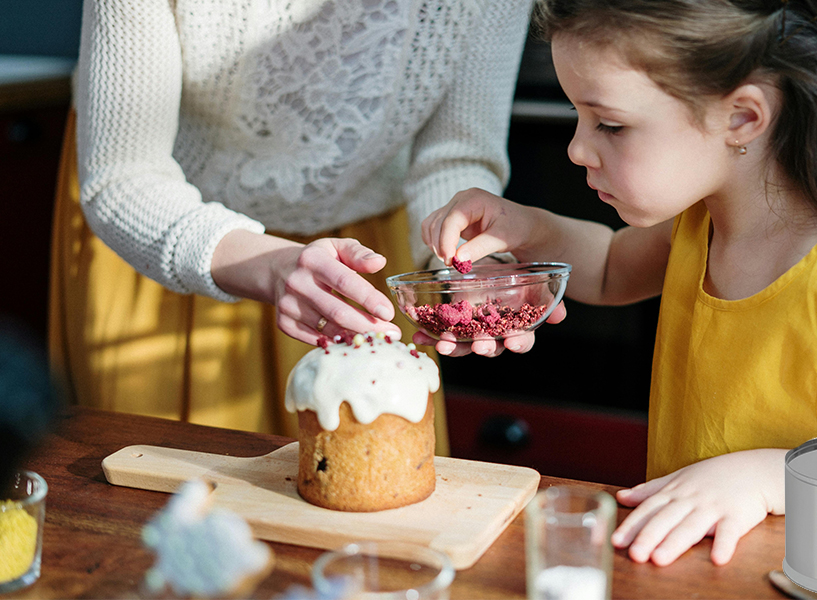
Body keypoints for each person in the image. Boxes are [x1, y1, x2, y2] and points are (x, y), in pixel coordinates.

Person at [420, 0, 817, 565]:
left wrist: (775, 479)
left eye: (610, 123)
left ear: (742, 118)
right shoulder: (699, 227)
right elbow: (608, 267)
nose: (577, 148)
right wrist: (524, 227)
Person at [48, 0, 534, 453]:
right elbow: (123, 176)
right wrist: (269, 264)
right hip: (171, 247)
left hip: (360, 267)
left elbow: (455, 156)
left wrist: (469, 261)